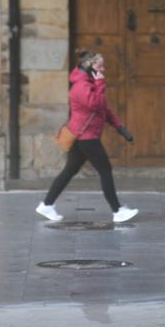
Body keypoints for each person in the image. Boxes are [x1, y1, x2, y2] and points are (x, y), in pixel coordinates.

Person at [36, 48, 139, 223]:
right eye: (100, 66)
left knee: (70, 170)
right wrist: (100, 84)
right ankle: (117, 211)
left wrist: (120, 128)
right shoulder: (81, 86)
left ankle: (46, 205)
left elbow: (104, 110)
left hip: (84, 135)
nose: (103, 70)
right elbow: (94, 105)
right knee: (105, 170)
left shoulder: (89, 83)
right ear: (89, 65)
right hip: (86, 137)